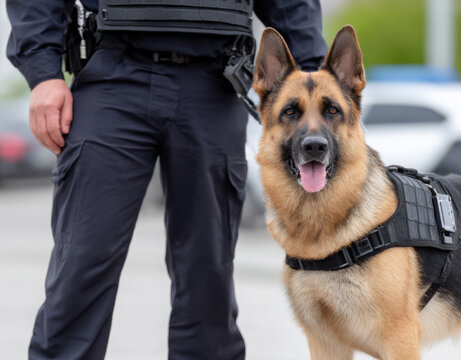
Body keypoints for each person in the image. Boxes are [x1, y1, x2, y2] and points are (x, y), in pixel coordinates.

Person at [6, 1, 326, 359]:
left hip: (215, 82)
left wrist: (314, 79)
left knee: (208, 278)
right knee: (82, 266)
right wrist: (44, 74)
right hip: (113, 75)